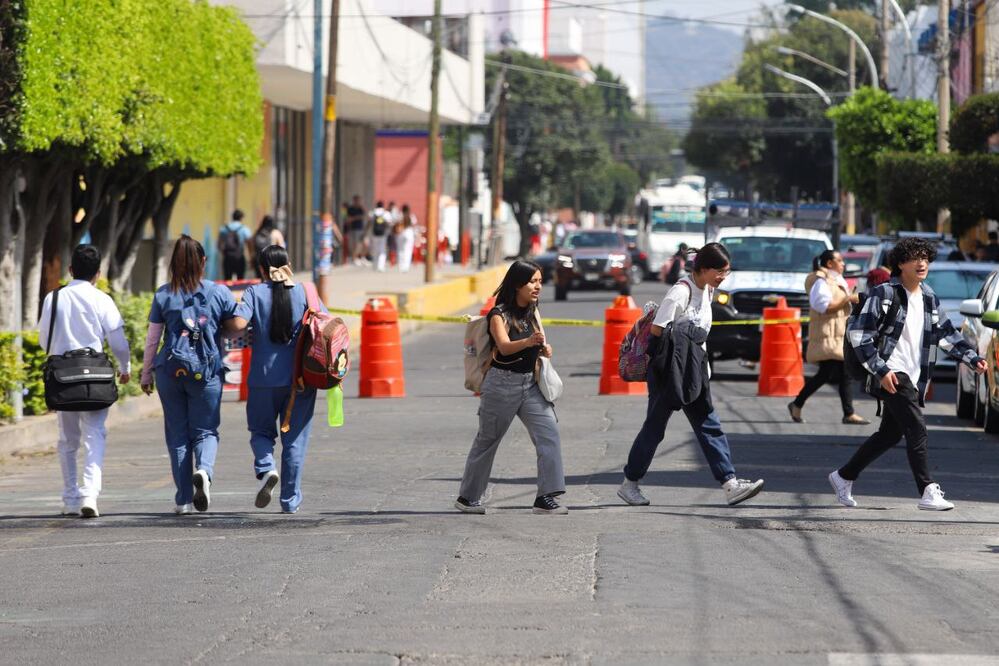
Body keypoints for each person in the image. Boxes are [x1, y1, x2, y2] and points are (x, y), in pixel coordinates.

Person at [830, 237, 987, 511]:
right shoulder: (884, 294)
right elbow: (859, 335)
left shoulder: (928, 297)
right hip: (892, 372)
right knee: (917, 429)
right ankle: (927, 490)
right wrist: (881, 370)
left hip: (914, 376)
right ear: (901, 263)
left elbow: (945, 334)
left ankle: (843, 476)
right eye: (915, 257)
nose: (922, 262)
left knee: (890, 434)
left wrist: (973, 358)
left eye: (925, 257)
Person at [618, 243, 765, 507]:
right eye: (719, 272)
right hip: (670, 372)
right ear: (704, 269)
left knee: (709, 424)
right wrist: (665, 371)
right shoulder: (679, 292)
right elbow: (657, 332)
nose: (722, 277)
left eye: (726, 272)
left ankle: (730, 484)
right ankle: (630, 483)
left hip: (694, 369)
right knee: (654, 429)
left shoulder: (707, 289)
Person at [455, 260, 567, 515]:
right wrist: (530, 341)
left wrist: (543, 348)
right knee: (488, 440)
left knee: (549, 434)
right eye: (533, 281)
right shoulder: (499, 314)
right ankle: (467, 497)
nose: (538, 286)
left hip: (529, 384)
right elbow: (504, 347)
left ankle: (546, 496)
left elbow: (535, 344)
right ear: (518, 284)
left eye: (540, 281)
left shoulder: (532, 310)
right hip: (501, 384)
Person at [140, 235, 237, 515]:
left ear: (173, 264)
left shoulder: (163, 294)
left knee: (177, 434)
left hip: (170, 371)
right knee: (205, 430)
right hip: (206, 372)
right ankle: (204, 472)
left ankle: (183, 498)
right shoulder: (218, 293)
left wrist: (147, 373)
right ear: (203, 262)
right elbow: (236, 325)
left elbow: (152, 338)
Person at [226, 245, 324, 514]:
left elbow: (237, 325)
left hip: (262, 379)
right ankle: (290, 501)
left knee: (260, 432)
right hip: (300, 381)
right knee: (295, 440)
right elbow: (324, 327)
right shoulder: (307, 292)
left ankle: (267, 467)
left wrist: (219, 328)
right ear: (289, 263)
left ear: (261, 270)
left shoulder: (254, 293)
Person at [38, 245, 132, 518]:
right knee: (95, 436)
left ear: (70, 270)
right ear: (99, 273)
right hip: (96, 379)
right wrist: (124, 368)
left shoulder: (53, 298)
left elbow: (45, 340)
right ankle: (90, 495)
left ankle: (69, 498)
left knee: (68, 439)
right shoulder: (102, 299)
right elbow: (118, 342)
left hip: (63, 378)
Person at [788, 250, 869, 426]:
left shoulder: (836, 279)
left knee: (841, 374)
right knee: (827, 374)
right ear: (829, 263)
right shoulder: (821, 281)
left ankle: (847, 413)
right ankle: (798, 404)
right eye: (839, 260)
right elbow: (824, 307)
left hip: (838, 336)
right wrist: (848, 299)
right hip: (827, 336)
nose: (843, 264)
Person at [217, 209, 253, 280]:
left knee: (227, 279)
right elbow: (249, 242)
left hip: (228, 256)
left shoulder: (224, 228)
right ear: (241, 218)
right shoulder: (244, 229)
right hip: (239, 257)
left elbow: (219, 244)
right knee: (240, 279)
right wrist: (251, 256)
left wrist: (223, 252)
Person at [368, 201, 391, 272]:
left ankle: (375, 265)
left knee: (375, 250)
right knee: (382, 250)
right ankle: (381, 266)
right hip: (383, 234)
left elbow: (369, 223)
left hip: (374, 234)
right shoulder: (386, 213)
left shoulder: (372, 213)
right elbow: (389, 223)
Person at [346, 195, 367, 266]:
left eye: (359, 200)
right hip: (353, 229)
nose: (358, 202)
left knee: (365, 244)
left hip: (361, 228)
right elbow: (348, 219)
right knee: (356, 245)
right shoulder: (350, 209)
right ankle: (354, 258)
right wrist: (357, 217)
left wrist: (362, 207)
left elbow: (365, 215)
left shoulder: (361, 208)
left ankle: (362, 257)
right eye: (356, 200)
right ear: (354, 200)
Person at [395, 204, 417, 273]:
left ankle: (400, 266)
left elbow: (396, 224)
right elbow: (414, 224)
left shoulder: (400, 216)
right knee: (408, 250)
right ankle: (406, 266)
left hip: (401, 233)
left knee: (400, 250)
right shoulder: (411, 216)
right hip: (409, 233)